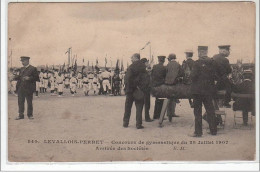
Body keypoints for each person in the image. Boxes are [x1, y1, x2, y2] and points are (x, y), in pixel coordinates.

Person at [190, 46, 217, 137]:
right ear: (206, 52)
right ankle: (213, 131)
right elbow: (215, 76)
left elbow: (193, 76)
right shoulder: (212, 63)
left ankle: (198, 132)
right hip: (209, 91)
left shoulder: (196, 63)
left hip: (198, 91)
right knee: (210, 110)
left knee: (197, 111)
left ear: (200, 52)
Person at [123, 53, 148, 129]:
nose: (131, 59)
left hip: (130, 90)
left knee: (128, 107)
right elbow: (146, 79)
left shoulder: (131, 66)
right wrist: (142, 88)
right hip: (139, 90)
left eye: (132, 57)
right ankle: (138, 124)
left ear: (135, 57)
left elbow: (127, 78)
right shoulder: (143, 66)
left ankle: (125, 123)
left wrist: (127, 88)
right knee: (139, 107)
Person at [165, 53, 183, 120]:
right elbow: (182, 73)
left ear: (169, 58)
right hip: (175, 84)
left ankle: (168, 113)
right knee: (174, 98)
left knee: (168, 98)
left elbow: (165, 73)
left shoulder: (167, 65)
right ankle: (172, 113)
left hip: (168, 84)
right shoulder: (178, 65)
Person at [140, 58, 153, 122]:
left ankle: (140, 117)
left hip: (141, 89)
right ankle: (147, 117)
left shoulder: (141, 70)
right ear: (144, 63)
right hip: (145, 89)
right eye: (147, 62)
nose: (148, 63)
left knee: (141, 104)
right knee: (147, 104)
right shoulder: (144, 71)